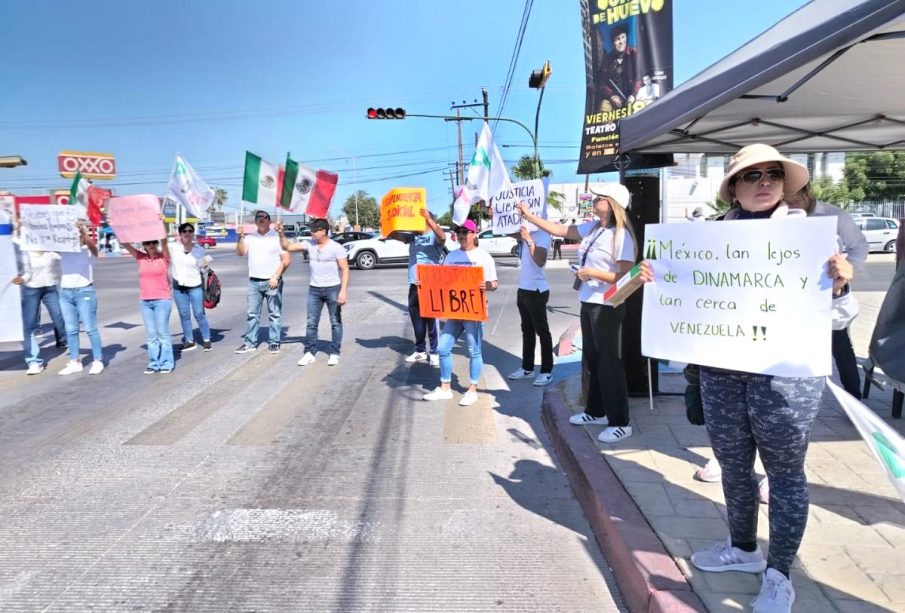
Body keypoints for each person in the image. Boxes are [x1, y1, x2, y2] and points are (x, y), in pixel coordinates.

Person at [689, 144, 852, 613]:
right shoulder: (711, 236)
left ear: (784, 185)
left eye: (773, 174)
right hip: (723, 373)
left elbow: (838, 314)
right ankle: (742, 549)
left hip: (785, 377)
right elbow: (689, 297)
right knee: (733, 466)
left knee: (784, 474)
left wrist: (840, 281)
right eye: (752, 174)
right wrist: (664, 279)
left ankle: (780, 574)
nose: (764, 181)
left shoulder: (809, 237)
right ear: (734, 188)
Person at [518, 183, 643, 443]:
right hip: (589, 301)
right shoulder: (594, 228)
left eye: (599, 197)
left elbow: (625, 275)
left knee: (610, 363)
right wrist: (529, 216)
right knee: (594, 360)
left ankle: (621, 421)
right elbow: (559, 229)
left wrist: (592, 273)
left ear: (612, 204)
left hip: (608, 305)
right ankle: (596, 411)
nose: (594, 199)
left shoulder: (622, 236)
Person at [786, 183, 868, 398]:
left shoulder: (835, 216)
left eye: (795, 200)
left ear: (807, 193)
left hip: (830, 288)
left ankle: (854, 395)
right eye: (785, 201)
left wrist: (848, 269)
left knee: (839, 343)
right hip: (792, 290)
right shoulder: (780, 216)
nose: (790, 205)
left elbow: (859, 246)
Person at [423, 219, 499, 406]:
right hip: (455, 311)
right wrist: (424, 284)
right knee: (442, 348)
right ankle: (445, 388)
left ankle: (472, 389)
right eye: (459, 231)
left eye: (466, 231)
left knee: (474, 350)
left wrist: (487, 285)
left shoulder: (484, 257)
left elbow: (495, 284)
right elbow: (441, 282)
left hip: (473, 312)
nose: (462, 235)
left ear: (474, 234)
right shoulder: (451, 256)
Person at [277, 218, 349, 366]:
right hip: (314, 289)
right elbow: (287, 247)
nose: (312, 233)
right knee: (311, 323)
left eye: (314, 230)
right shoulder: (308, 244)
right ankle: (310, 352)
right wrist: (281, 233)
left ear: (323, 231)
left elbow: (345, 270)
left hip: (333, 289)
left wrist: (343, 291)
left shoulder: (336, 247)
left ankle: (334, 352)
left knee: (335, 322)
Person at [389, 208, 446, 366]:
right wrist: (388, 225)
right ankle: (420, 350)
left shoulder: (434, 235)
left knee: (432, 319)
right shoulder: (413, 236)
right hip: (414, 283)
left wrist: (429, 219)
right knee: (416, 318)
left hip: (431, 283)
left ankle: (434, 352)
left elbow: (443, 237)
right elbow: (396, 235)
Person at [235, 210, 291, 354]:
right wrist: (239, 237)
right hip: (254, 282)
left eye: (264, 217)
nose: (261, 219)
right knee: (252, 314)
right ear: (255, 221)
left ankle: (274, 342)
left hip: (272, 281)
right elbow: (241, 252)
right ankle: (250, 343)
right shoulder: (250, 238)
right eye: (258, 217)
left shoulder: (276, 237)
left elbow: (286, 259)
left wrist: (276, 276)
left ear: (269, 221)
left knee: (274, 314)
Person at [507, 224, 554, 387]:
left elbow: (540, 261)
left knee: (542, 332)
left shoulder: (542, 235)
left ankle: (546, 371)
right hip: (523, 289)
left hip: (537, 290)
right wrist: (496, 215)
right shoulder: (525, 232)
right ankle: (527, 368)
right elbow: (506, 229)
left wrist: (528, 239)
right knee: (527, 331)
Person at [121, 237, 175, 374]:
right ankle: (154, 363)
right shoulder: (141, 257)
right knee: (151, 334)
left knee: (162, 333)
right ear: (143, 245)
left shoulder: (164, 258)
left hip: (162, 300)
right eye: (147, 243)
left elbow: (164, 242)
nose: (151, 245)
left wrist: (160, 226)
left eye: (153, 242)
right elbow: (124, 243)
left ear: (157, 244)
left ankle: (167, 362)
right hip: (145, 301)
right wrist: (115, 226)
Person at [58, 221, 105, 375]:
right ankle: (74, 361)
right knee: (70, 329)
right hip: (65, 293)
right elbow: (44, 243)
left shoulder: (87, 249)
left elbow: (95, 249)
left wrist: (83, 233)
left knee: (90, 328)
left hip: (84, 291)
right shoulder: (62, 250)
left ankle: (97, 360)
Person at [12, 244, 67, 375]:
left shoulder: (50, 250)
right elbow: (17, 268)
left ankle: (62, 339)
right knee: (29, 326)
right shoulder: (21, 248)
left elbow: (67, 255)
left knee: (59, 317)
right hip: (30, 289)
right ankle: (34, 361)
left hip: (50, 288)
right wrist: (21, 279)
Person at [170, 222, 213, 352]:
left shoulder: (199, 250)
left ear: (193, 234)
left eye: (190, 231)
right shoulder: (173, 248)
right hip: (179, 288)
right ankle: (189, 341)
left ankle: (206, 339)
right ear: (180, 234)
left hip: (195, 287)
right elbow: (158, 244)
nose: (187, 233)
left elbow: (205, 269)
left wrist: (205, 266)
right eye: (184, 231)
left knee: (199, 314)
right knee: (184, 315)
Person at [597, 24, 641, 112]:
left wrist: (633, 95)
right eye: (617, 39)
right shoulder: (607, 60)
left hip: (633, 96)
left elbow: (639, 77)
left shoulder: (634, 54)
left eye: (623, 37)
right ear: (613, 43)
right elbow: (602, 83)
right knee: (603, 107)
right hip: (614, 99)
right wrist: (611, 96)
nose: (621, 41)